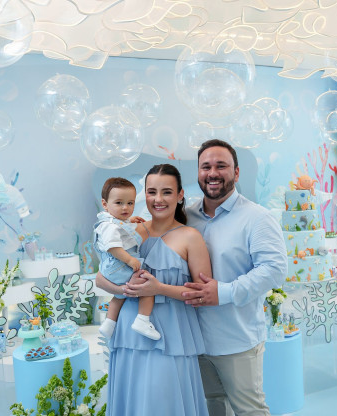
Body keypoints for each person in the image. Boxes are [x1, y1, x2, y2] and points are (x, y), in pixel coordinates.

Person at [181, 139, 288, 416]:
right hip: (195, 341)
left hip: (237, 341)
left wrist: (224, 292)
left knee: (250, 411)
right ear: (198, 172)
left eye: (221, 166)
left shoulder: (257, 218)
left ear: (236, 173)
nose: (212, 173)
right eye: (206, 167)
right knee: (214, 408)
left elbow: (274, 268)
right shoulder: (186, 217)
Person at [96, 164, 211, 416]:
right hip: (128, 335)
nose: (158, 199)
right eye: (151, 192)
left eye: (166, 192)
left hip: (170, 336)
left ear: (180, 195)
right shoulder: (129, 230)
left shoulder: (190, 236)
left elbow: (203, 294)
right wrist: (124, 289)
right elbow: (100, 278)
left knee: (164, 404)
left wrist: (158, 288)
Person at [94, 177, 160, 340]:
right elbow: (113, 247)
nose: (125, 207)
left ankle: (109, 324)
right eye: (119, 203)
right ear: (105, 204)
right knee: (147, 288)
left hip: (110, 268)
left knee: (118, 296)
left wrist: (129, 220)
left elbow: (118, 225)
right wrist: (129, 260)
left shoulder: (110, 222)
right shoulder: (110, 227)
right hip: (119, 265)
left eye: (130, 203)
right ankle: (142, 320)